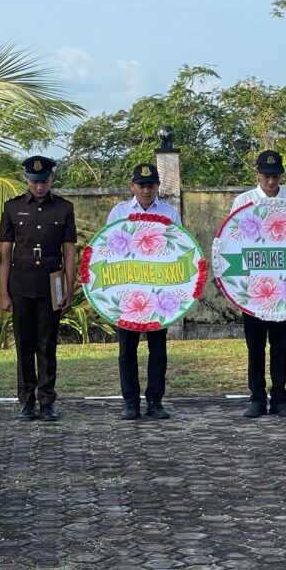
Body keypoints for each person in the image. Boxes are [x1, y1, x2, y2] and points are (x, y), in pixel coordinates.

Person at [0, 156, 76, 422]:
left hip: (52, 284)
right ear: (26, 179)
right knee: (24, 345)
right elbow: (5, 255)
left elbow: (69, 252)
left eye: (44, 181)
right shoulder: (12, 208)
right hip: (21, 285)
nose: (39, 186)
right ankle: (26, 401)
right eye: (34, 182)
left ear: (51, 179)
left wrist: (69, 287)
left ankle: (46, 400)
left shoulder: (64, 208)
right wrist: (4, 292)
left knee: (47, 344)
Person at [230, 151, 286, 418]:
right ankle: (257, 398)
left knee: (281, 345)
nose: (271, 181)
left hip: (284, 288)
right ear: (257, 174)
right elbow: (232, 240)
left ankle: (280, 398)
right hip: (252, 289)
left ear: (281, 175)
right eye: (266, 176)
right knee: (256, 346)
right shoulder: (243, 202)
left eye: (275, 176)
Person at [106, 163, 180, 420]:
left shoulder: (170, 213)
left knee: (158, 349)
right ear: (132, 186)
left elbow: (178, 249)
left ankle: (155, 401)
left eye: (151, 185)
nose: (146, 190)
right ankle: (130, 402)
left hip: (159, 294)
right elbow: (108, 249)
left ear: (158, 186)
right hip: (128, 292)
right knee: (127, 350)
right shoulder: (119, 212)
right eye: (141, 185)